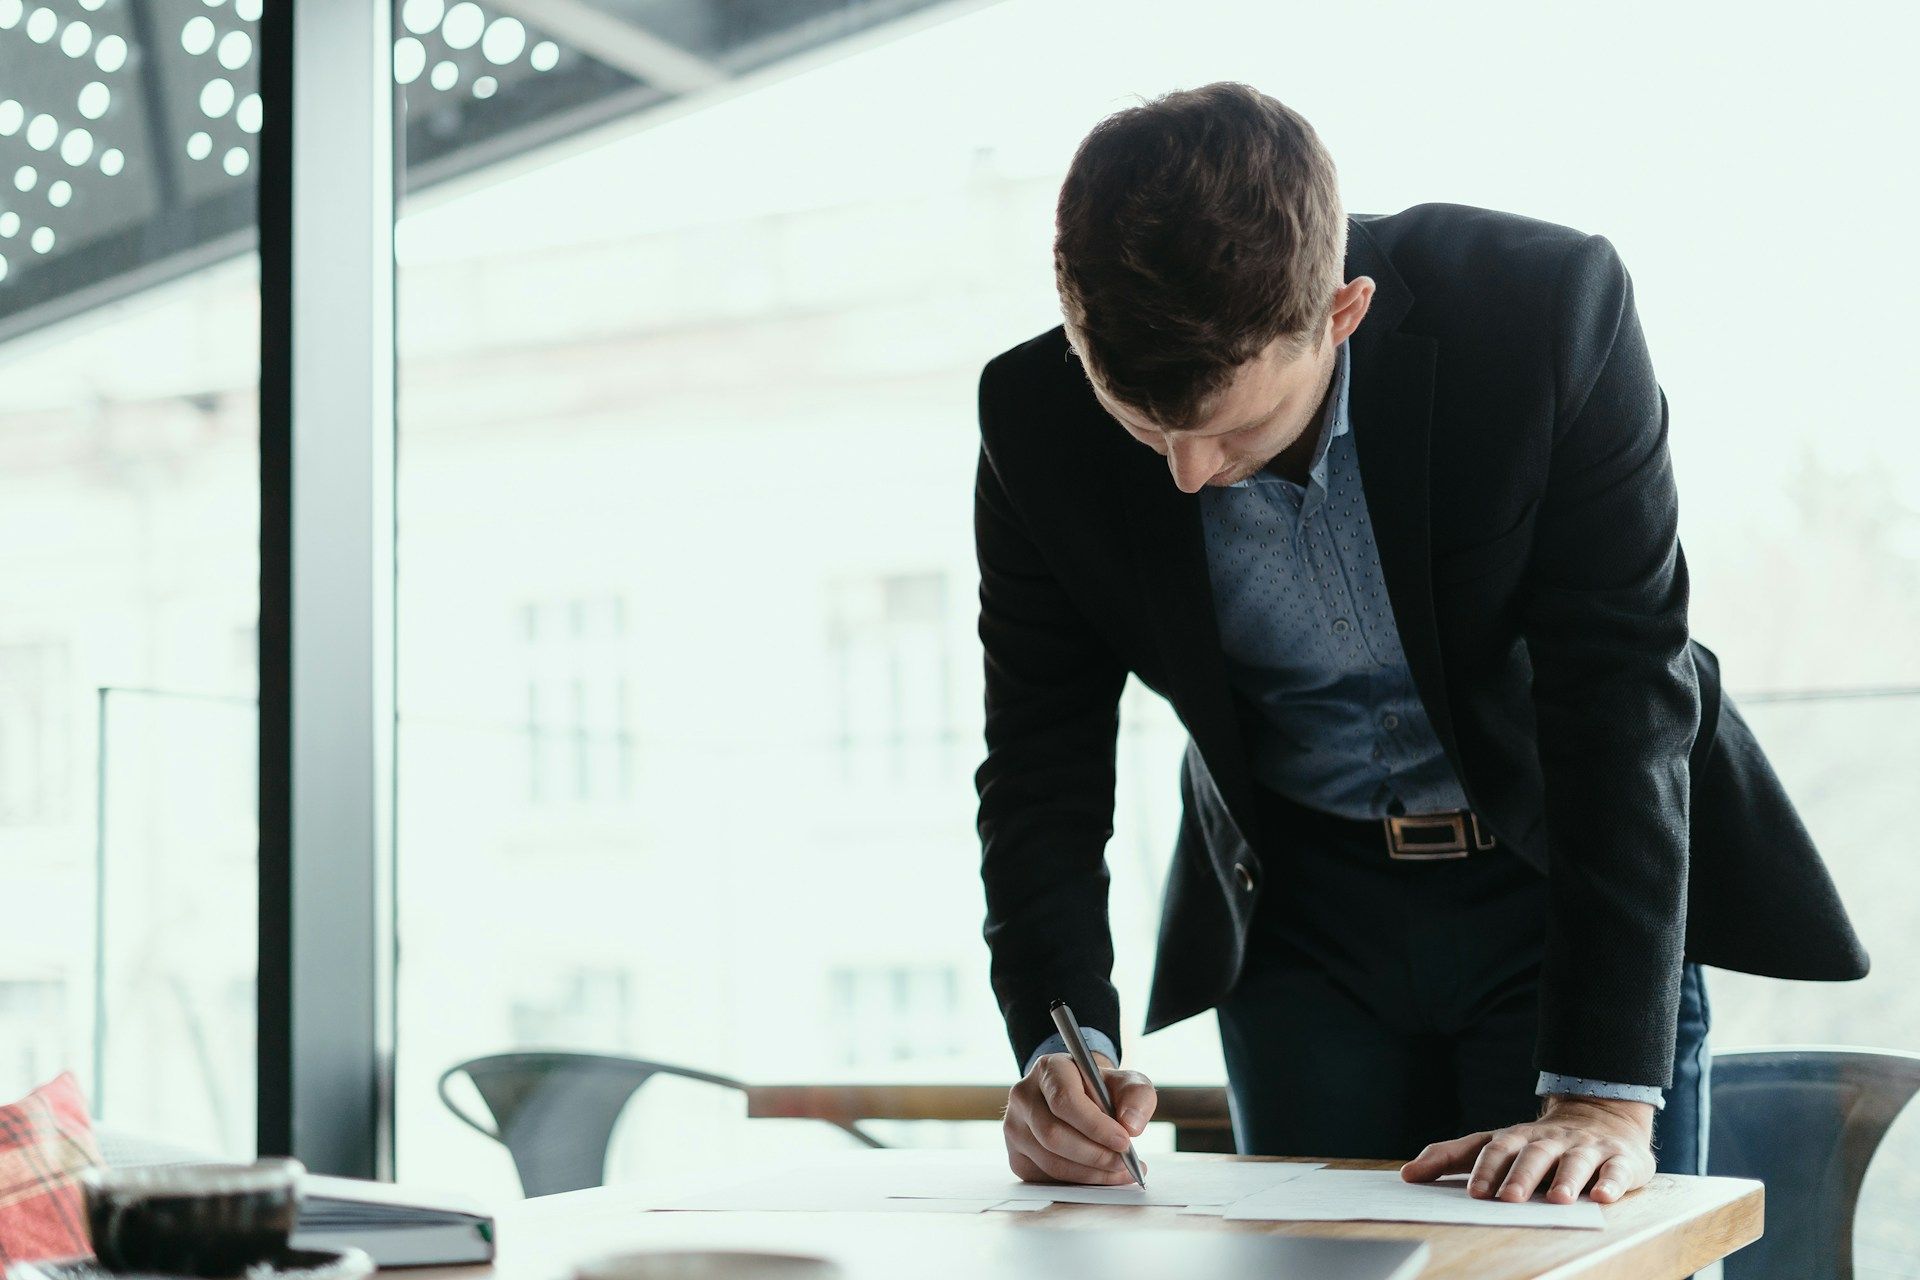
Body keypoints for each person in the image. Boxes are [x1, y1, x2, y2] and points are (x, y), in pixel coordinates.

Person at [974, 82, 1867, 1206]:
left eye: (1229, 429)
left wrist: (1600, 1095)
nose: (1187, 476)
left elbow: (1622, 696)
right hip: (1298, 916)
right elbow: (1040, 765)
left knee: (1573, 1244)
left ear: (1342, 312)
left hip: (1556, 885)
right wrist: (1063, 1041)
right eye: (1144, 427)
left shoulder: (1543, 314)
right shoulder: (1032, 416)